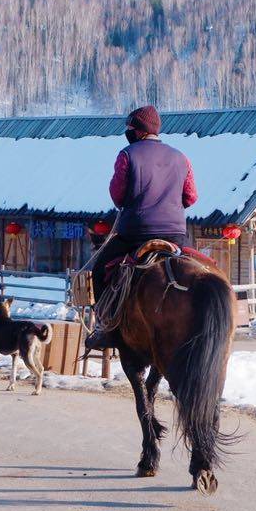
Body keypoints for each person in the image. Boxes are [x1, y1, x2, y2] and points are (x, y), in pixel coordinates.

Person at [85, 105, 197, 349]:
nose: (128, 132)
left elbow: (118, 195)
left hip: (135, 233)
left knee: (100, 268)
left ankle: (105, 327)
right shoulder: (181, 157)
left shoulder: (127, 155)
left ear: (138, 131)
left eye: (129, 128)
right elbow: (191, 197)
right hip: (175, 234)